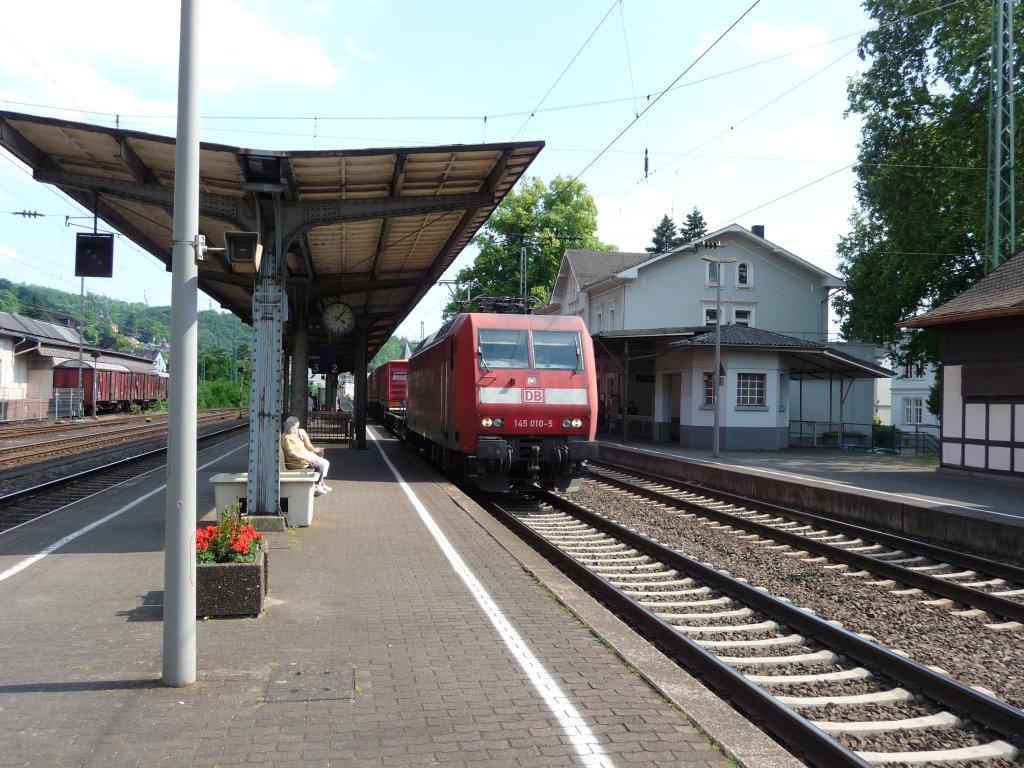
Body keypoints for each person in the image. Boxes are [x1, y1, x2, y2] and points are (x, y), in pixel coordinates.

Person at [281, 416, 332, 496]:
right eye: (296, 427)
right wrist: (306, 457)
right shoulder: (287, 438)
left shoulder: (289, 436)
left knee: (320, 465)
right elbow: (292, 453)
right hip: (297, 463)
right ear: (293, 428)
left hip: (300, 461)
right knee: (320, 466)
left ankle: (317, 485)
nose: (297, 429)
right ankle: (316, 486)